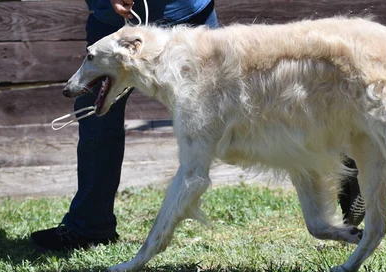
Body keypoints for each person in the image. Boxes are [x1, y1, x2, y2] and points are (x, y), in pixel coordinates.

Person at [31, 0, 363, 252]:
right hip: (113, 20)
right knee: (96, 120)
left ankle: (340, 156)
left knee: (258, 109)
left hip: (185, 12)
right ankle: (90, 224)